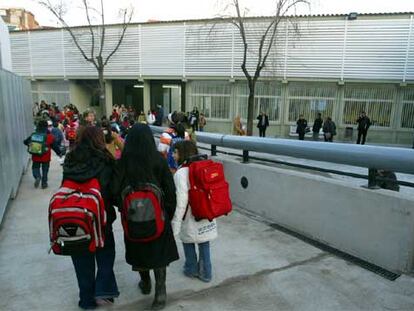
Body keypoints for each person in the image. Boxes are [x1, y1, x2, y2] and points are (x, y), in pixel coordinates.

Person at [114, 124, 179, 310]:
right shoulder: (158, 161)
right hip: (159, 218)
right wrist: (167, 213)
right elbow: (170, 191)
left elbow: (113, 191)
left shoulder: (123, 162)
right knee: (159, 255)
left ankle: (145, 284)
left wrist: (125, 209)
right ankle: (160, 293)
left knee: (139, 252)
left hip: (133, 219)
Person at [63, 126, 119, 309]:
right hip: (101, 218)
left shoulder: (70, 159)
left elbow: (64, 187)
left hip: (76, 218)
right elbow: (114, 190)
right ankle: (104, 291)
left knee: (81, 259)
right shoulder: (106, 159)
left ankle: (86, 300)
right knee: (105, 254)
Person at [171, 140, 217, 282]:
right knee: (204, 241)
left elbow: (181, 202)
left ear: (182, 153)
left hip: (190, 215)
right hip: (207, 212)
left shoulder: (181, 173)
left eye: (175, 152)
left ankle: (191, 269)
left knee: (188, 240)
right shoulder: (204, 166)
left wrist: (176, 223)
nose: (173, 155)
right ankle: (206, 272)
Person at [24, 119, 61, 189]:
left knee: (35, 168)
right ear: (46, 127)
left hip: (36, 156)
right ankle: (44, 183)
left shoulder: (34, 135)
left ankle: (37, 176)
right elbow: (55, 147)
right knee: (45, 170)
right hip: (46, 157)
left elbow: (25, 142)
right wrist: (59, 153)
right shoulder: (50, 136)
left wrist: (31, 144)